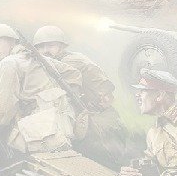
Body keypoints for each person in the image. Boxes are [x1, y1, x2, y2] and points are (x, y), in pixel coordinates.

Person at [33, 25, 134, 167]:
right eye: (41, 47)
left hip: (99, 124)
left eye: (50, 45)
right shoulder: (70, 58)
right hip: (98, 118)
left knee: (106, 167)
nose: (45, 51)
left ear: (61, 46)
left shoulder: (68, 63)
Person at [0, 23, 83, 156]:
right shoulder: (37, 57)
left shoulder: (8, 63)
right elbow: (74, 74)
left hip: (42, 134)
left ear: (11, 41)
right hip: (65, 127)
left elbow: (3, 115)